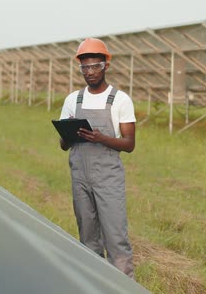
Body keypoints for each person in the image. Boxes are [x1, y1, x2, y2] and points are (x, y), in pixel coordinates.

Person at [58, 38, 136, 278]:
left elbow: (129, 144)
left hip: (108, 179)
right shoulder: (73, 100)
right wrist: (71, 133)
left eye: (95, 66)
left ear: (106, 66)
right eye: (85, 68)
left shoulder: (120, 100)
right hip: (80, 178)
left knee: (116, 240)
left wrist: (100, 138)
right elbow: (63, 145)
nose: (90, 72)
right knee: (88, 240)